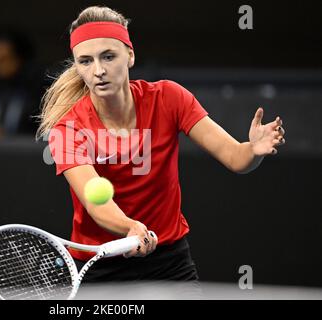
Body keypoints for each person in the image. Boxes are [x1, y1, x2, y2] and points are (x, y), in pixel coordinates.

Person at [36, 6, 286, 289]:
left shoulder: (169, 98)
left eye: (108, 56)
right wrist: (129, 227)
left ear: (130, 55)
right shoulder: (68, 128)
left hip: (169, 261)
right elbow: (96, 202)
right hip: (100, 265)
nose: (99, 70)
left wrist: (253, 150)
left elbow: (236, 158)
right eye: (86, 61)